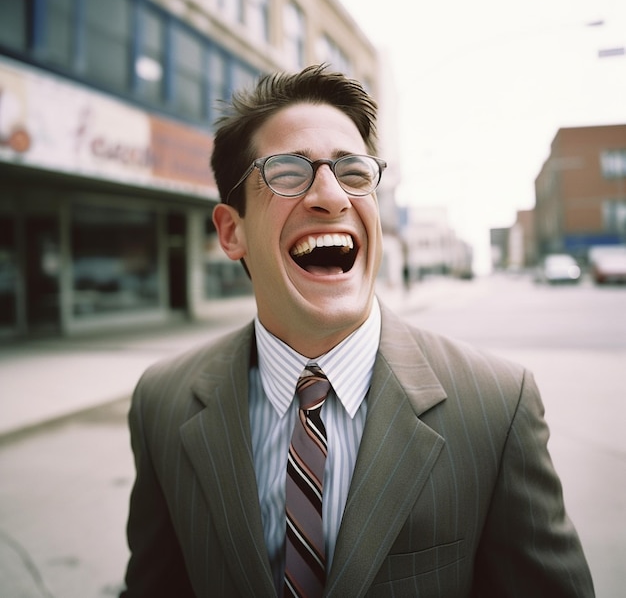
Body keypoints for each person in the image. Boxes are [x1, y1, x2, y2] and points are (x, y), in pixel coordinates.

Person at [119, 64, 594, 597]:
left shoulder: (497, 405)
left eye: (353, 171)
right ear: (233, 232)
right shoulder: (162, 403)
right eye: (288, 171)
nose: (332, 196)